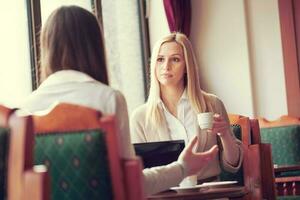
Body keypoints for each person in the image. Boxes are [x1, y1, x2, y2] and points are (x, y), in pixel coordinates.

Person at [18, 6, 219, 196]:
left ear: (46, 48)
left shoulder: (26, 109)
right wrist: (182, 168)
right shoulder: (108, 99)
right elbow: (131, 183)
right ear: (94, 47)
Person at [130, 32, 243, 184]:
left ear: (186, 66)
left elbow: (233, 165)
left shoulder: (212, 104)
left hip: (208, 195)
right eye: (160, 59)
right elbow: (139, 174)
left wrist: (225, 135)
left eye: (175, 59)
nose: (166, 66)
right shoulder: (140, 117)